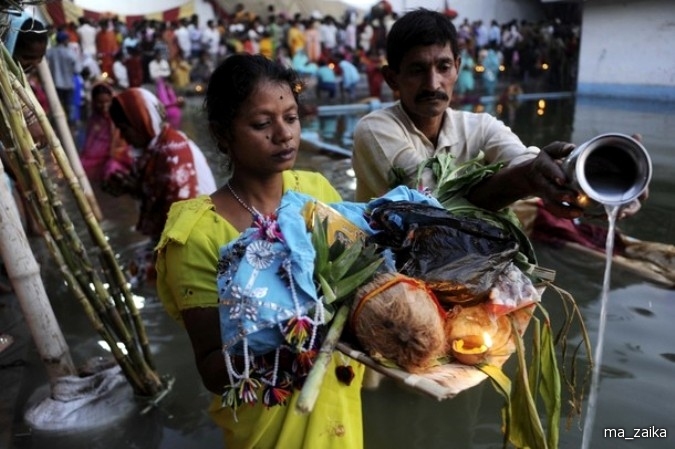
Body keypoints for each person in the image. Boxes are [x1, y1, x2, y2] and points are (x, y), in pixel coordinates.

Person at [155, 53, 365, 449]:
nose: (283, 134)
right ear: (222, 134)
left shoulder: (317, 192)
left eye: (291, 117)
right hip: (267, 429)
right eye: (261, 124)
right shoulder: (197, 234)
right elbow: (212, 368)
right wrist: (292, 340)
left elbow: (358, 279)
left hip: (340, 413)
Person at [352, 8, 584, 220]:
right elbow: (433, 197)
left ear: (457, 67)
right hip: (389, 258)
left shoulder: (480, 126)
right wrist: (525, 178)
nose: (433, 84)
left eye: (443, 67)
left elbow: (520, 158)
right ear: (392, 78)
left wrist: (565, 175)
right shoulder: (374, 129)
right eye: (417, 70)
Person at [106, 87, 215, 244]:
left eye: (124, 130)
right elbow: (158, 194)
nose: (122, 137)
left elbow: (182, 219)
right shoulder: (155, 149)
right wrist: (133, 188)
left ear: (141, 122)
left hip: (198, 239)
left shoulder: (172, 152)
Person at [79, 82, 130, 182]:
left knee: (112, 171)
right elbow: (89, 145)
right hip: (95, 158)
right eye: (100, 102)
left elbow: (125, 145)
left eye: (107, 102)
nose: (104, 106)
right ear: (94, 102)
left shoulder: (119, 118)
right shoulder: (94, 120)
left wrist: (114, 154)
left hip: (119, 157)